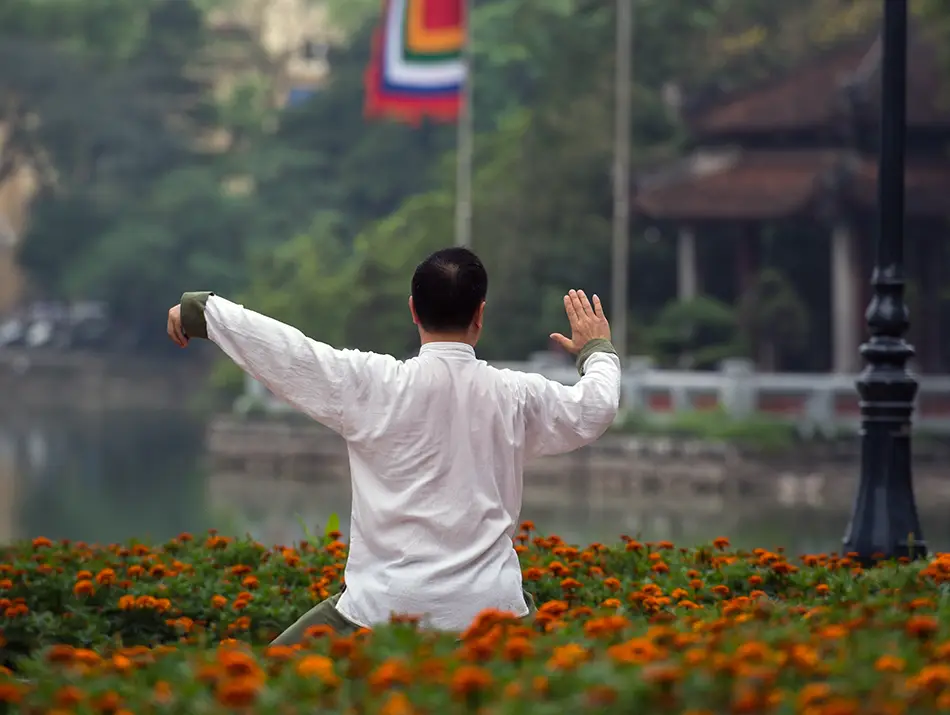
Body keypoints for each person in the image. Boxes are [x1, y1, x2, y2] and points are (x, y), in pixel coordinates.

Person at [166, 247, 621, 641]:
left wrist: (203, 313)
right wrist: (596, 349)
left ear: (413, 310)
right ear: (480, 313)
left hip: (380, 611)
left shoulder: (375, 384)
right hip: (493, 614)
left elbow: (292, 354)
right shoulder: (516, 395)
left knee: (249, 687)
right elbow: (593, 410)